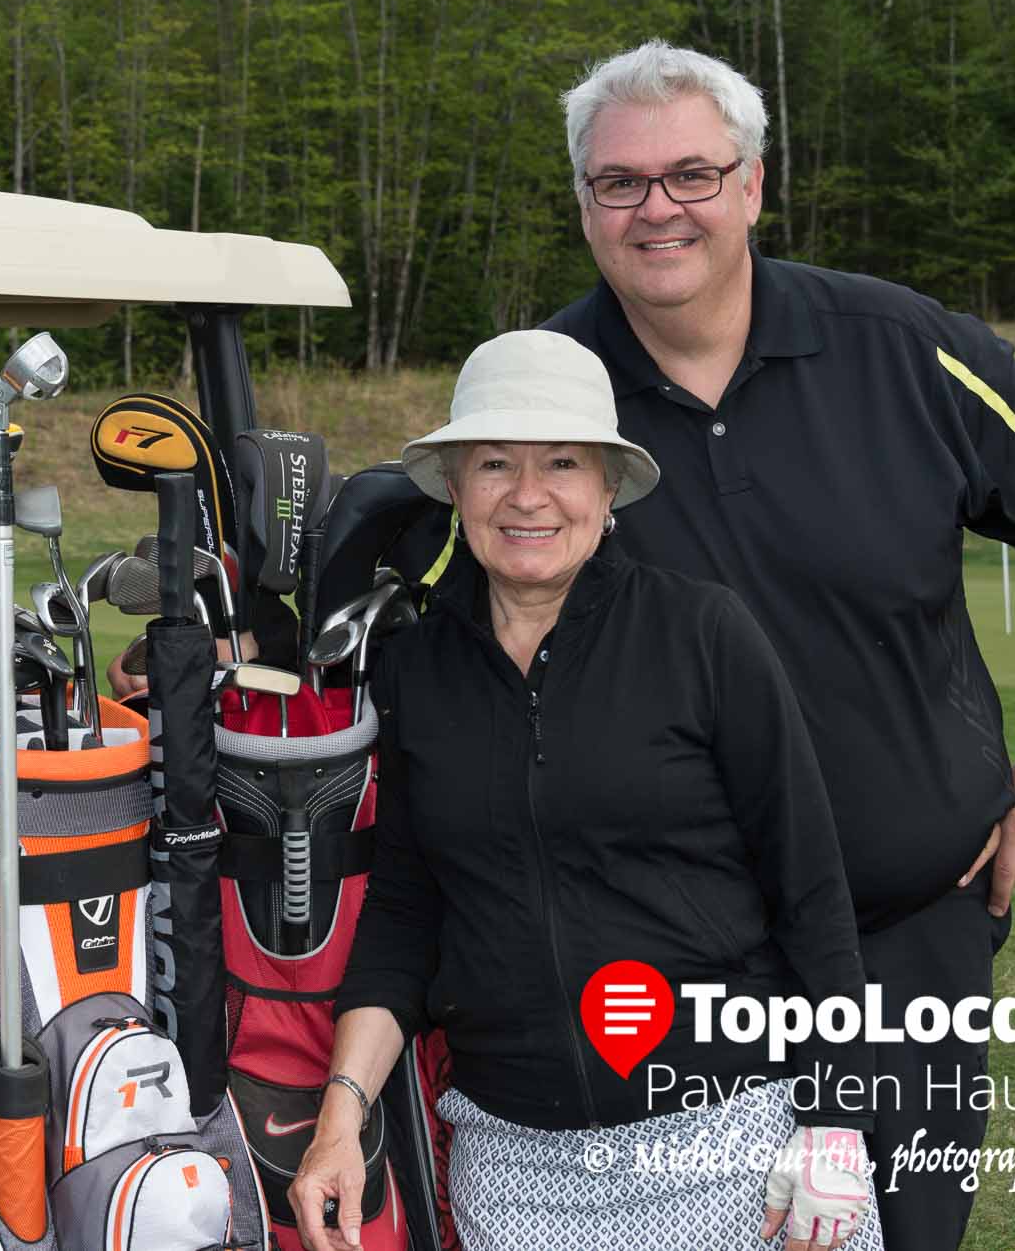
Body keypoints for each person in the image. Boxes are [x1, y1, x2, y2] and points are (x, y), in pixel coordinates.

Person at [541, 41, 1015, 1250]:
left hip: (907, 931)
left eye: (691, 174)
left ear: (752, 185)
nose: (657, 207)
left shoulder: (898, 343)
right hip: (665, 961)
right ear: (584, 204)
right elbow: (429, 592)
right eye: (620, 183)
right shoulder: (550, 390)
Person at [289, 331, 882, 1251]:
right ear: (454, 485)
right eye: (495, 463)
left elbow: (813, 893)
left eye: (562, 462)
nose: (528, 496)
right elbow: (407, 912)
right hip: (513, 1160)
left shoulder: (702, 634)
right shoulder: (418, 670)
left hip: (727, 1139)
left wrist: (838, 1122)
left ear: (608, 487)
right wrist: (339, 1124)